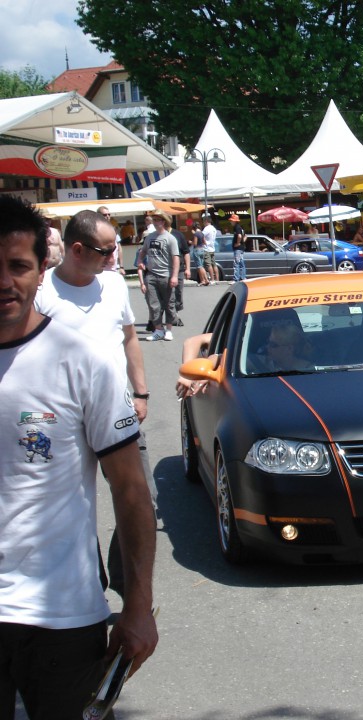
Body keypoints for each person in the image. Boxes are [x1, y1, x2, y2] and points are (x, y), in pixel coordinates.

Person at [0, 196, 158, 717]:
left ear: (39, 268)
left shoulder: (82, 360)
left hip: (62, 612)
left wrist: (137, 607)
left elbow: (131, 490)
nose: (5, 281)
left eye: (18, 266)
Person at [35, 208, 158, 597]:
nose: (113, 258)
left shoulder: (114, 286)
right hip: (60, 415)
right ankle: (88, 583)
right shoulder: (41, 293)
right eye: (105, 251)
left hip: (116, 409)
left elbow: (129, 338)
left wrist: (140, 392)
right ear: (76, 249)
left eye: (114, 249)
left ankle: (126, 584)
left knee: (141, 498)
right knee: (69, 505)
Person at [138, 212, 180, 341]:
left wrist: (174, 276)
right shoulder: (150, 237)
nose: (155, 222)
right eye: (154, 220)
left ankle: (168, 330)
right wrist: (140, 261)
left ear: (164, 222)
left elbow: (176, 258)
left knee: (169, 303)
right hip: (151, 275)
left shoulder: (170, 238)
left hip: (166, 275)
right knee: (153, 304)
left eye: (158, 220)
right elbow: (143, 251)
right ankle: (158, 330)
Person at [169, 218, 190, 321]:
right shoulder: (158, 235)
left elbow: (186, 252)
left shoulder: (178, 235)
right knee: (169, 293)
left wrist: (188, 268)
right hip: (166, 269)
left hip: (180, 268)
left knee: (178, 292)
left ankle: (176, 310)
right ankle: (173, 314)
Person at [97, 206, 125, 274]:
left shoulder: (113, 230)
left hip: (113, 268)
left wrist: (121, 266)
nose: (107, 216)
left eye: (109, 214)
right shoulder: (95, 230)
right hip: (100, 269)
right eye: (104, 215)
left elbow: (119, 249)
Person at [201, 214, 219, 283]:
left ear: (206, 221)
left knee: (209, 264)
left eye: (203, 221)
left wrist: (204, 242)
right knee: (214, 264)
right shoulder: (213, 228)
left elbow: (202, 236)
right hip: (212, 248)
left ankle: (212, 279)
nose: (203, 222)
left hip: (207, 248)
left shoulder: (206, 228)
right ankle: (217, 279)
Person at [192, 221, 210, 285]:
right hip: (202, 249)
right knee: (201, 266)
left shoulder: (196, 234)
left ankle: (204, 280)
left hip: (197, 250)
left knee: (199, 267)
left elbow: (195, 243)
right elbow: (205, 242)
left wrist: (190, 242)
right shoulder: (202, 233)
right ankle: (205, 280)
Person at [230, 213, 246, 281]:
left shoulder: (237, 227)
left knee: (236, 263)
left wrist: (238, 243)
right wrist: (242, 242)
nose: (230, 222)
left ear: (234, 221)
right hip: (241, 248)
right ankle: (243, 277)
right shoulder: (240, 227)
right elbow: (245, 236)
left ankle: (236, 279)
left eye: (231, 221)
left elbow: (239, 236)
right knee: (241, 263)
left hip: (238, 249)